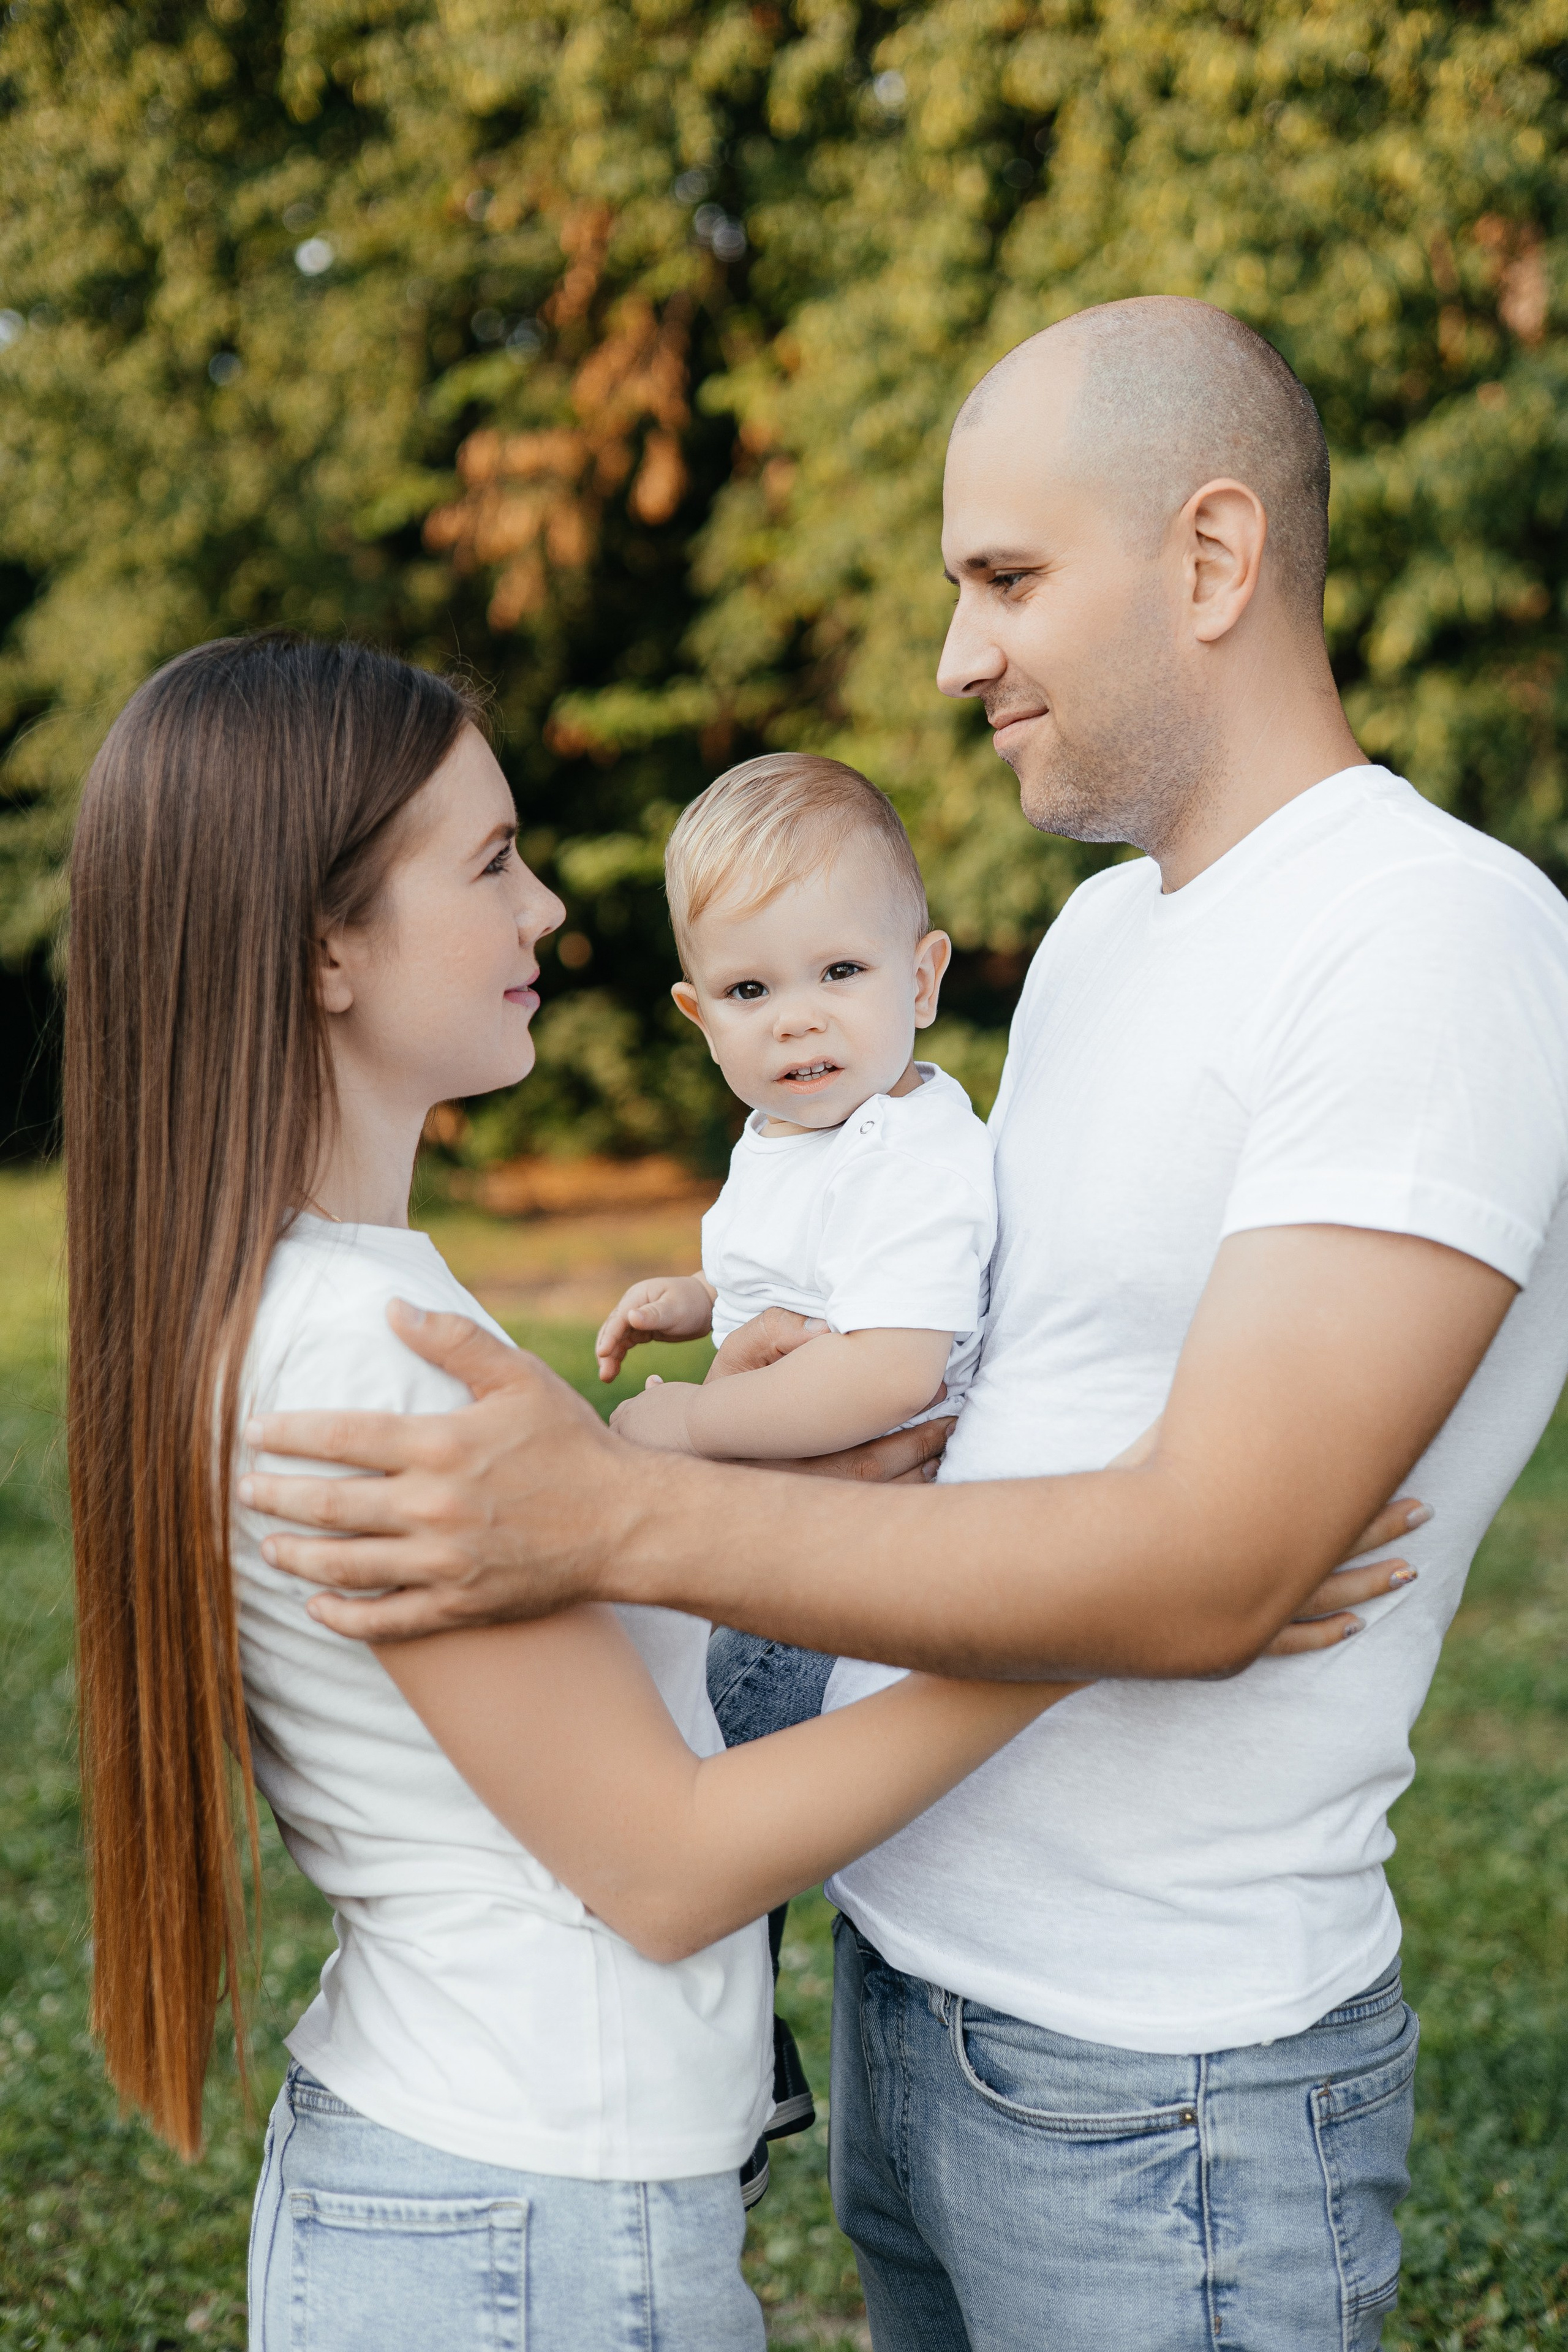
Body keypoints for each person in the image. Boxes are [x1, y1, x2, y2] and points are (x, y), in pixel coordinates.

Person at [237, 300, 1568, 2349]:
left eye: (1009, 581)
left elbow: (1222, 1565)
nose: (959, 661)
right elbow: (985, 1390)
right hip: (915, 1978)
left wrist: (614, 1501)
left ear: (1214, 561)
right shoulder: (1112, 939)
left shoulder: (1436, 939)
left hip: (1167, 2069)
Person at [66, 632, 1117, 2352]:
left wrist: (773, 1484)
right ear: (330, 948)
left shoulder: (333, 1298)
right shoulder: (366, 1353)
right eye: (490, 864)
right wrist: (1095, 1624)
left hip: (490, 2197)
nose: (549, 910)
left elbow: (575, 1648)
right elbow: (666, 1864)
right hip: (523, 2233)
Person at [596, 750, 998, 2182]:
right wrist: (690, 1301)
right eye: (753, 994)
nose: (801, 1020)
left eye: (838, 970)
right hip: (779, 1539)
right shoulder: (790, 1140)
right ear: (700, 1017)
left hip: (847, 1559)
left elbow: (887, 1366)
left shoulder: (907, 1148)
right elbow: (788, 1275)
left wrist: (688, 1425)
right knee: (676, 1753)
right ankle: (727, 2046)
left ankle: (720, 2065)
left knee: (727, 1790)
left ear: (922, 973)